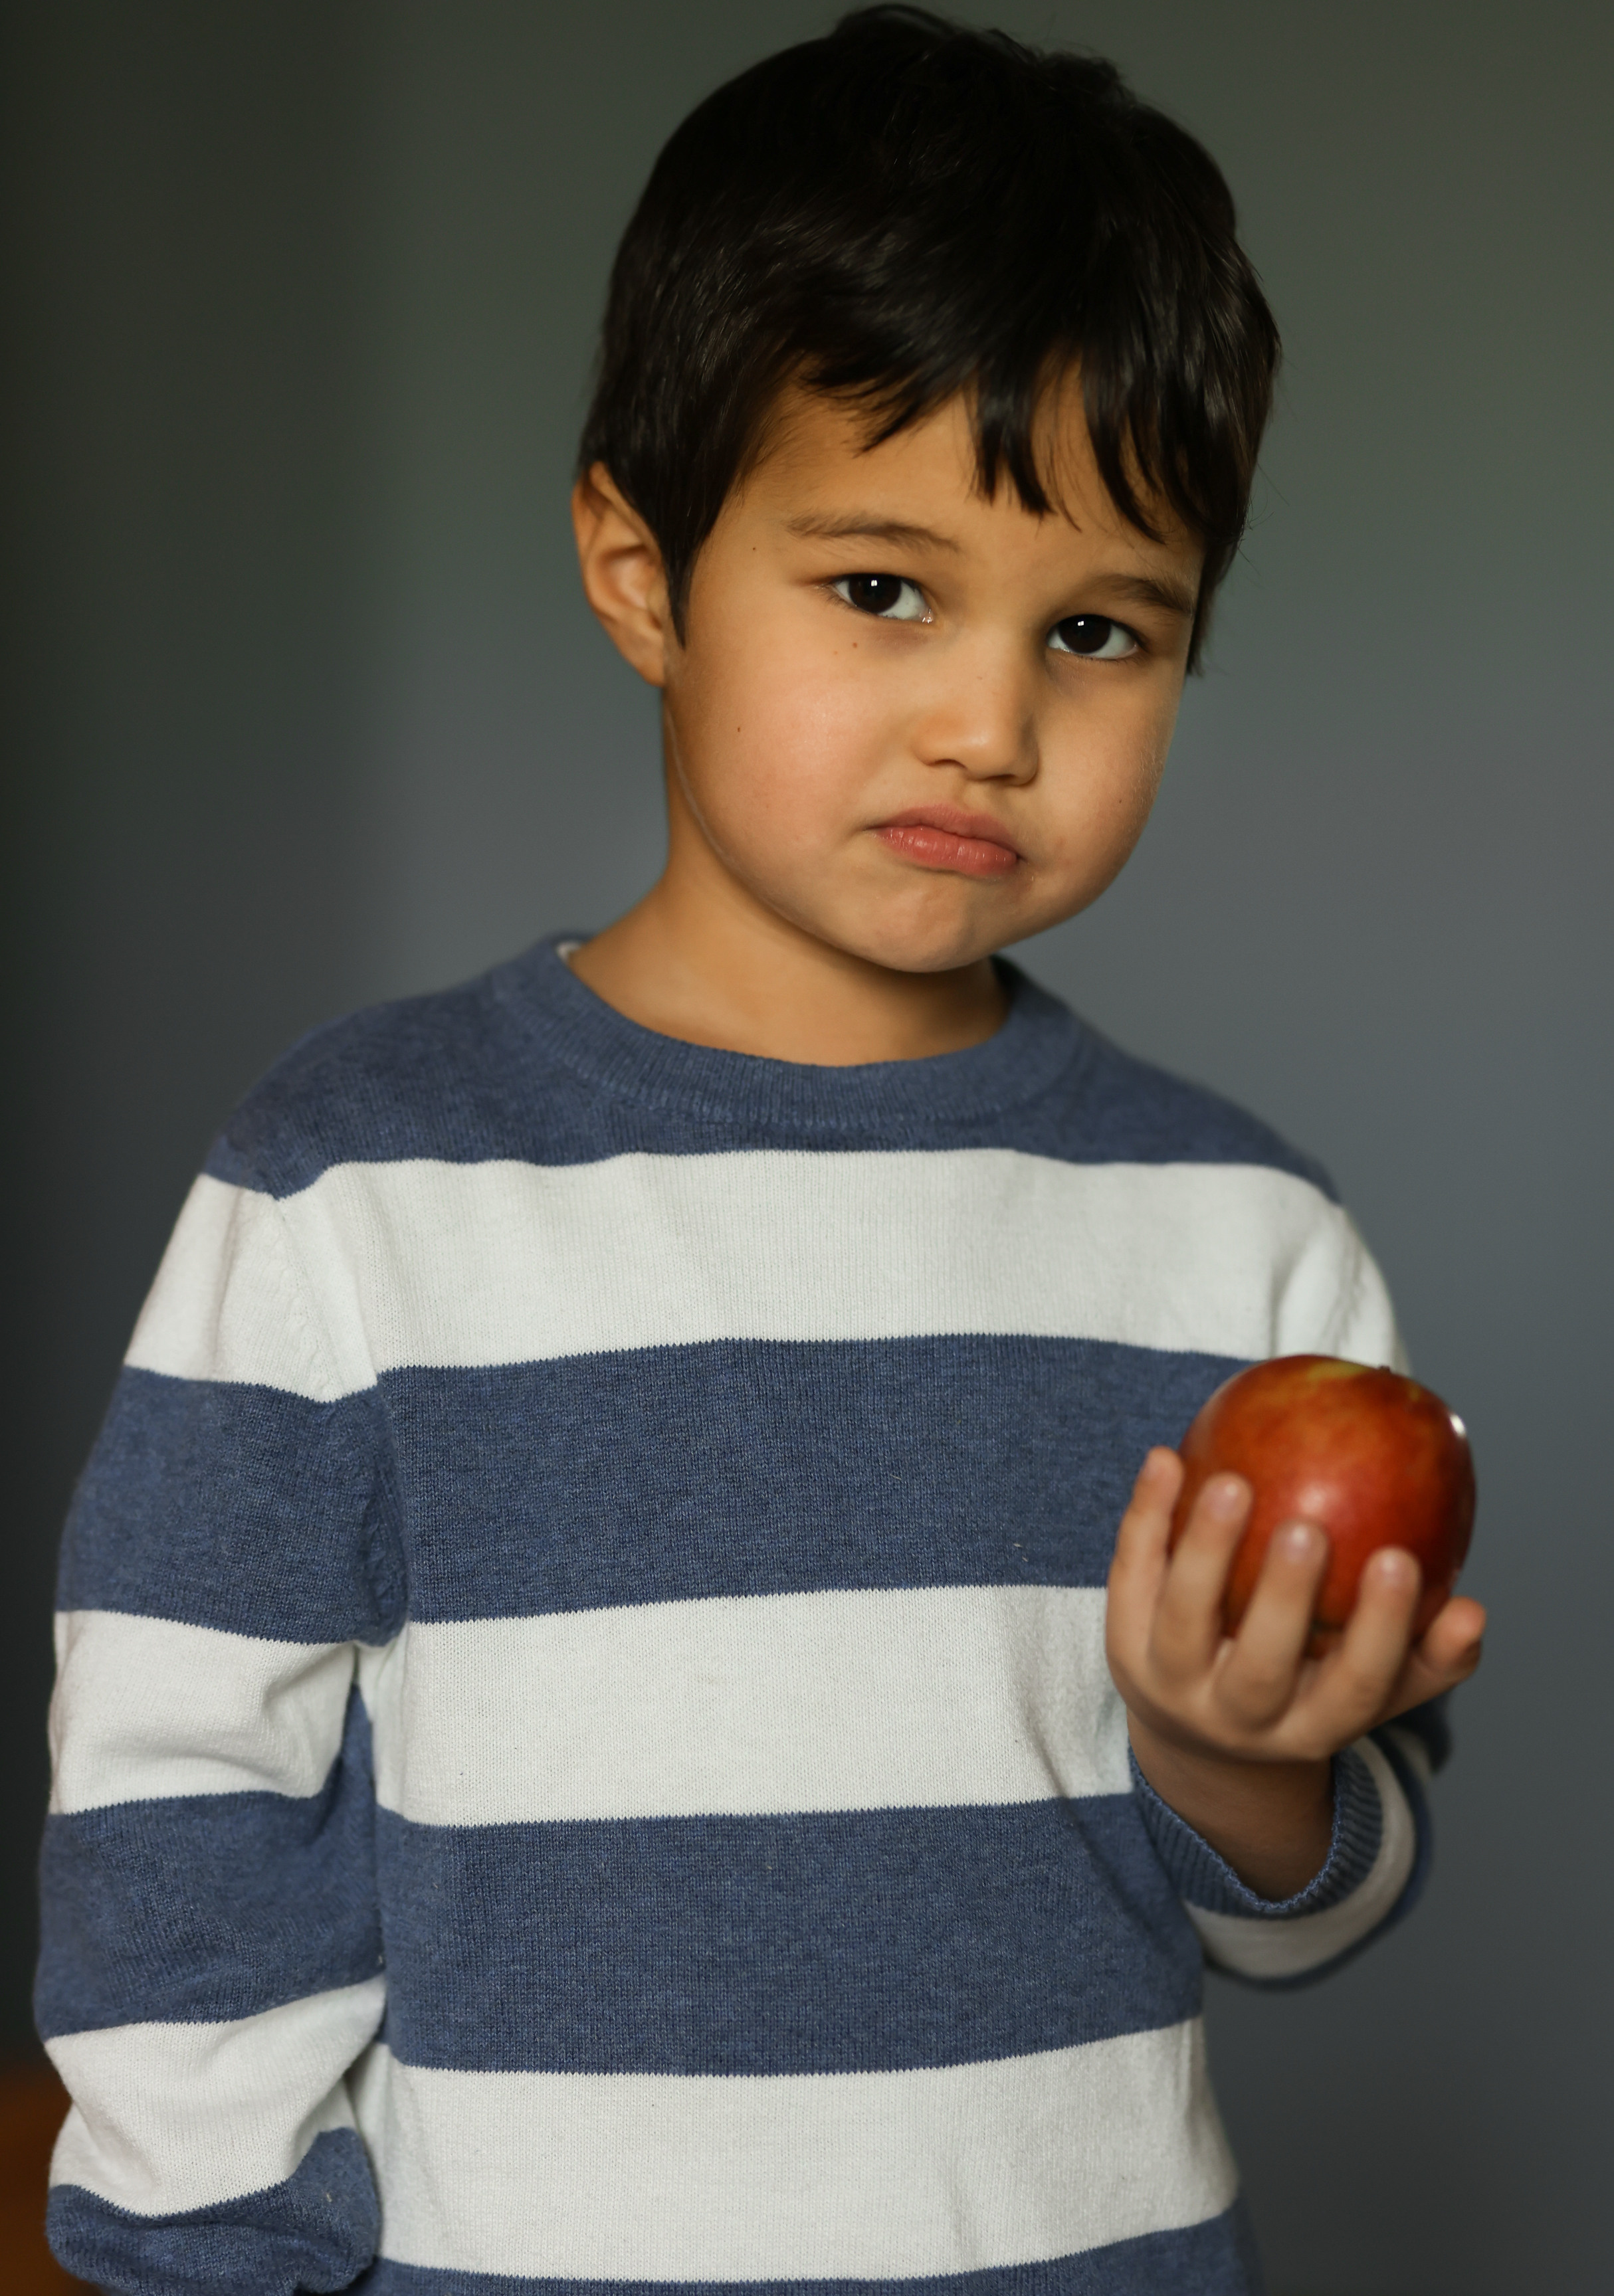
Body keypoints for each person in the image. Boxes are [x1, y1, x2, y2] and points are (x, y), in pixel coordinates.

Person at [39, 10, 1485, 2292]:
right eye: (884, 586)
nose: (990, 722)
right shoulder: (354, 1183)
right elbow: (179, 1798)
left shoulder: (1246, 1249)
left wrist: (1237, 1761)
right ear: (642, 572)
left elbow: (1325, 1907)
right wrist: (216, 2255)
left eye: (1098, 629)